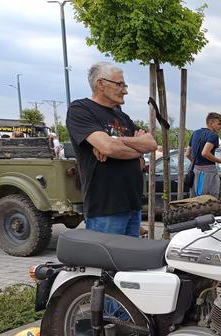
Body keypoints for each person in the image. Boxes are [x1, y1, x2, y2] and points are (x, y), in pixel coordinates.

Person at [66, 61, 157, 237]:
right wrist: (132, 146)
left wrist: (115, 141)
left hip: (133, 205)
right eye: (120, 84)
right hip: (105, 208)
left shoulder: (123, 116)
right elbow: (108, 147)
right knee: (106, 263)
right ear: (101, 83)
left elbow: (151, 144)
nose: (125, 90)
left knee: (130, 263)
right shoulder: (81, 109)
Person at [186, 112, 221, 198]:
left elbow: (188, 154)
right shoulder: (213, 136)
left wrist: (196, 162)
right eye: (219, 124)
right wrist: (220, 161)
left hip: (195, 171)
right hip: (208, 172)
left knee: (195, 201)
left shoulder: (195, 133)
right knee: (210, 199)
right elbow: (205, 153)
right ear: (211, 123)